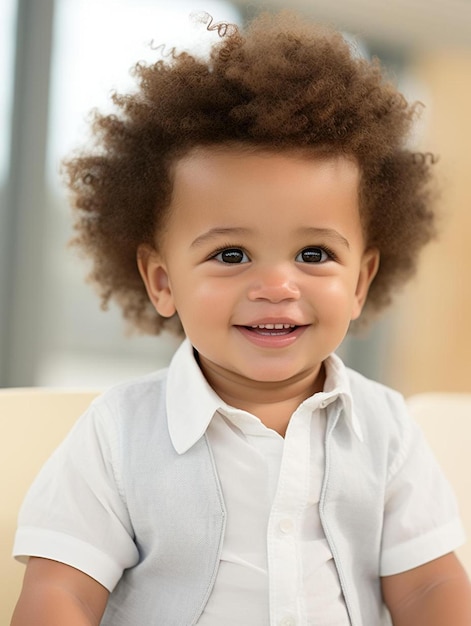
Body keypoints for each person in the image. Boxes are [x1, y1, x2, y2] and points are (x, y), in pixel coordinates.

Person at [10, 11, 471, 626]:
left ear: (360, 282)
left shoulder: (385, 431)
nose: (277, 286)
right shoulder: (118, 435)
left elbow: (427, 588)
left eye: (314, 254)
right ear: (163, 280)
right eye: (231, 255)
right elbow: (61, 593)